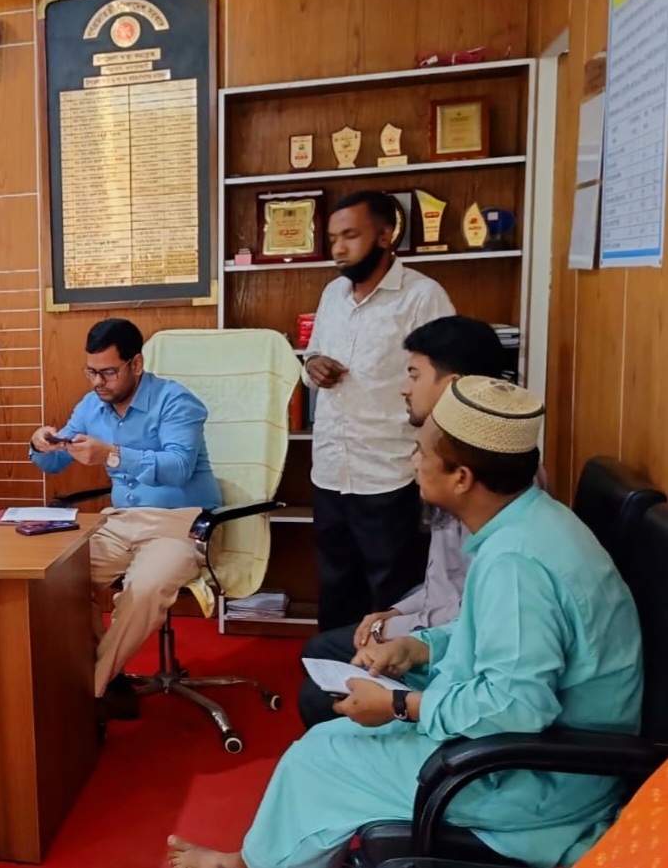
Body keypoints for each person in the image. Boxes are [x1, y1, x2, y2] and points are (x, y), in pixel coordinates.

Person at [165, 377, 642, 868]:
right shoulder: (534, 523)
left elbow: (517, 708)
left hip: (534, 779)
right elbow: (503, 639)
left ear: (461, 478)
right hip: (534, 755)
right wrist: (421, 647)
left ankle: (247, 865)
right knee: (328, 742)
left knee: (322, 758)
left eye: (422, 452)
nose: (413, 461)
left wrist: (399, 705)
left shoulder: (515, 563)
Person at [297, 315, 507, 728]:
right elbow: (444, 580)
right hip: (436, 627)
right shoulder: (457, 458)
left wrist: (401, 635)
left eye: (413, 375)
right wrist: (392, 613)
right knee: (322, 653)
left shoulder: (484, 484)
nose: (404, 388)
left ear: (452, 386)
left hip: (454, 656)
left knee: (320, 689)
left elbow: (471, 621)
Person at [29, 318, 221, 717]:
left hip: (179, 524)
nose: (98, 382)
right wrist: (41, 445)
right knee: (56, 580)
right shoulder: (91, 405)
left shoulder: (176, 401)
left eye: (108, 372)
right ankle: (108, 678)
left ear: (136, 363)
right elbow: (55, 462)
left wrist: (113, 454)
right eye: (91, 372)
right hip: (118, 522)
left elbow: (179, 467)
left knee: (145, 589)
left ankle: (90, 691)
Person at [304, 190, 455, 631]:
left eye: (350, 236)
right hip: (330, 471)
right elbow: (311, 357)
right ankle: (335, 666)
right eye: (333, 238)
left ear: (386, 236)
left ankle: (387, 669)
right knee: (335, 586)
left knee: (392, 592)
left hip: (390, 472)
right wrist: (312, 366)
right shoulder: (333, 294)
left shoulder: (422, 296)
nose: (338, 248)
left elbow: (446, 382)